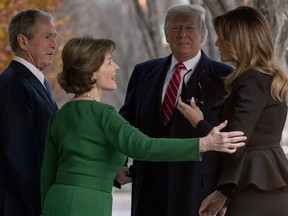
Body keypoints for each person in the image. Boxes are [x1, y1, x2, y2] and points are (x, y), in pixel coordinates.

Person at [40, 36, 246, 216]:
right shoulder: (104, 115)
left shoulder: (60, 115)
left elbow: (48, 173)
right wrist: (203, 144)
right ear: (92, 73)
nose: (116, 67)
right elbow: (146, 147)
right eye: (109, 62)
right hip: (88, 204)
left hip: (55, 200)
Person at [119, 4, 234, 216]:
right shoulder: (143, 72)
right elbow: (124, 124)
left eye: (190, 28)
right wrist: (118, 164)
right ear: (165, 33)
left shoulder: (225, 78)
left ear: (203, 35)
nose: (182, 34)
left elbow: (234, 139)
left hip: (198, 193)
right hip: (148, 189)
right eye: (175, 28)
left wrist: (226, 192)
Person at [177, 6, 288, 216]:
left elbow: (235, 145)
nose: (217, 43)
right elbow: (249, 142)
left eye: (222, 38)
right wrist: (223, 192)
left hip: (257, 192)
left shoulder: (252, 79)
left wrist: (199, 122)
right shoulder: (265, 77)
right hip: (264, 186)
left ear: (238, 41)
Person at [0, 9, 58, 216]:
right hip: (20, 206)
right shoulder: (14, 85)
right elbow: (19, 154)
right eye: (46, 36)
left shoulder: (37, 83)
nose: (54, 44)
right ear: (23, 42)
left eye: (55, 36)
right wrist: (43, 205)